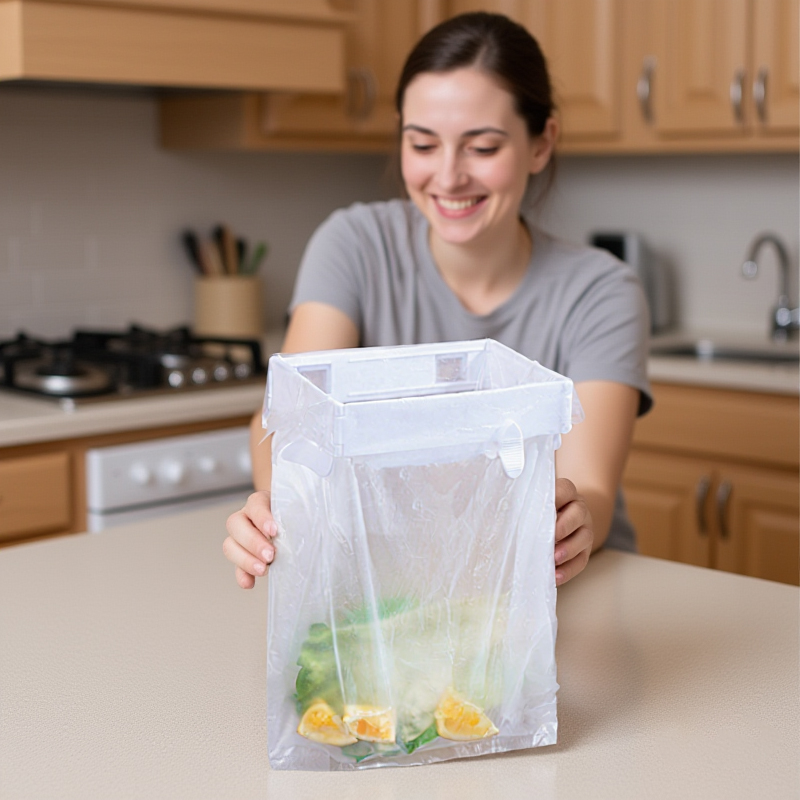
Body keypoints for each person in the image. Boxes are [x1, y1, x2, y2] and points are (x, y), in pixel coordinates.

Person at [223, 11, 651, 591]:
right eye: (422, 143)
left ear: (540, 142)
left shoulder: (601, 291)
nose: (447, 177)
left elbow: (589, 485)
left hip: (562, 588)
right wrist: (275, 508)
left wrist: (574, 523)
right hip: (389, 582)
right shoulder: (353, 245)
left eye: (481, 147)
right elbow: (288, 420)